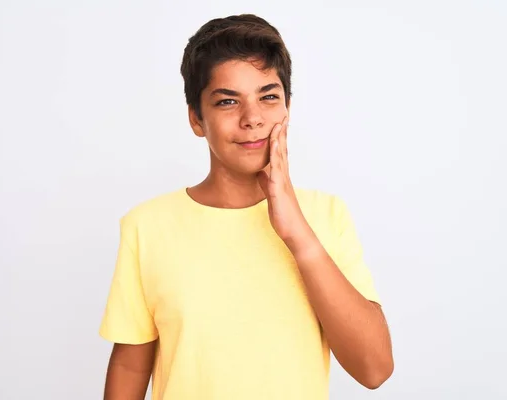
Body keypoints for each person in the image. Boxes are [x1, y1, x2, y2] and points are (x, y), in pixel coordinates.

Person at [99, 13, 394, 400]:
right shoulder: (147, 227)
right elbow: (130, 364)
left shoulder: (326, 216)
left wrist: (297, 234)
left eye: (268, 96)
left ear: (287, 106)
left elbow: (374, 369)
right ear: (196, 119)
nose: (252, 118)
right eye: (227, 101)